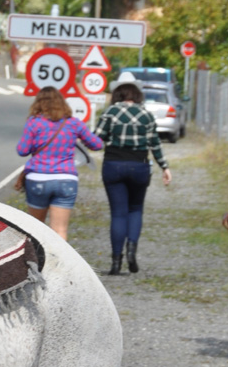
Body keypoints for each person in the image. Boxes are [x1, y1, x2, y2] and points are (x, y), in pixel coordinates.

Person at [95, 73, 172, 275]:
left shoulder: (110, 112)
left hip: (113, 165)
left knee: (118, 214)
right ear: (137, 94)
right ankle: (131, 252)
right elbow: (154, 143)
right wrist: (165, 167)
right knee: (136, 209)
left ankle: (115, 262)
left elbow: (97, 139)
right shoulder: (145, 114)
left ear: (117, 93)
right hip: (139, 166)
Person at [14, 87, 102, 240]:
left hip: (38, 179)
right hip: (66, 179)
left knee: (35, 229)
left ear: (39, 103)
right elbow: (97, 145)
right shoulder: (73, 123)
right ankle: (60, 263)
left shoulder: (34, 122)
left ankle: (38, 262)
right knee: (60, 231)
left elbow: (22, 150)